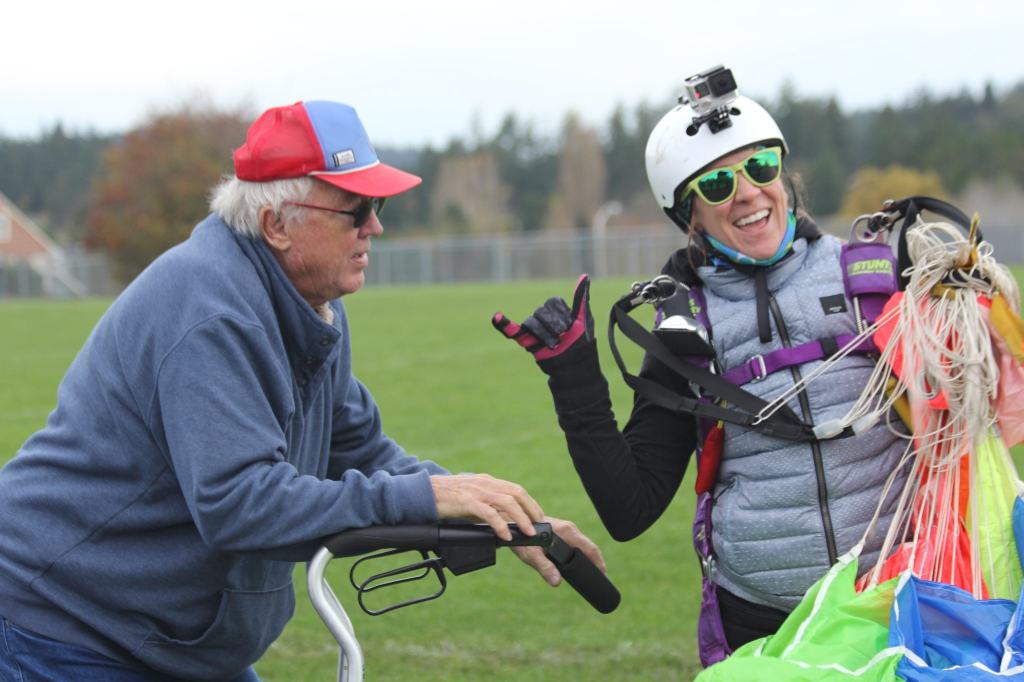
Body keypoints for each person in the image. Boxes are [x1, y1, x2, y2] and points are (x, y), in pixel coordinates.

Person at [0, 100, 604, 682]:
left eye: (376, 204)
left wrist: (500, 515)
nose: (375, 226)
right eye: (355, 209)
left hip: (166, 639)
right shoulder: (212, 311)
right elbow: (239, 504)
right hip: (63, 626)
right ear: (276, 225)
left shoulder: (314, 306)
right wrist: (427, 496)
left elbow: (360, 449)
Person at [493, 71, 907, 664]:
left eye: (760, 167)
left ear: (783, 176)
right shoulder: (687, 330)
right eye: (716, 184)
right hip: (767, 628)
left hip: (898, 600)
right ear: (690, 215)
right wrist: (574, 377)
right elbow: (629, 508)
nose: (747, 193)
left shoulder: (871, 277)